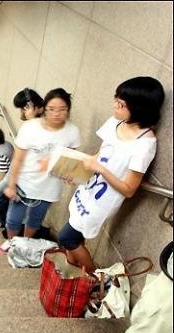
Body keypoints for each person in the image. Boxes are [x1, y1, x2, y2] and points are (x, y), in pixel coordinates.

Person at [57, 77, 165, 273]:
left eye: (121, 104)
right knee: (73, 240)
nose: (114, 106)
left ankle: (93, 279)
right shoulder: (114, 122)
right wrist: (77, 173)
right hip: (87, 191)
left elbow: (129, 189)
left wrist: (100, 170)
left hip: (102, 202)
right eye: (116, 100)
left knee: (67, 238)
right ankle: (78, 277)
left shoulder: (145, 144)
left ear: (139, 108)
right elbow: (99, 157)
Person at [2, 88, 81, 248]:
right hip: (24, 182)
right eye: (51, 109)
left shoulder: (72, 131)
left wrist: (69, 174)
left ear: (68, 110)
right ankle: (12, 244)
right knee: (13, 218)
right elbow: (18, 159)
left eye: (62, 109)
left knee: (35, 220)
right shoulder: (30, 127)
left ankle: (25, 245)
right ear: (44, 108)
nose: (56, 114)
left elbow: (70, 160)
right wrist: (11, 184)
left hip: (49, 187)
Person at [0, 88, 45, 229]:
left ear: (38, 107)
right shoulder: (30, 125)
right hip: (18, 170)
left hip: (27, 174)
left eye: (26, 108)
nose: (24, 112)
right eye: (22, 108)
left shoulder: (42, 127)